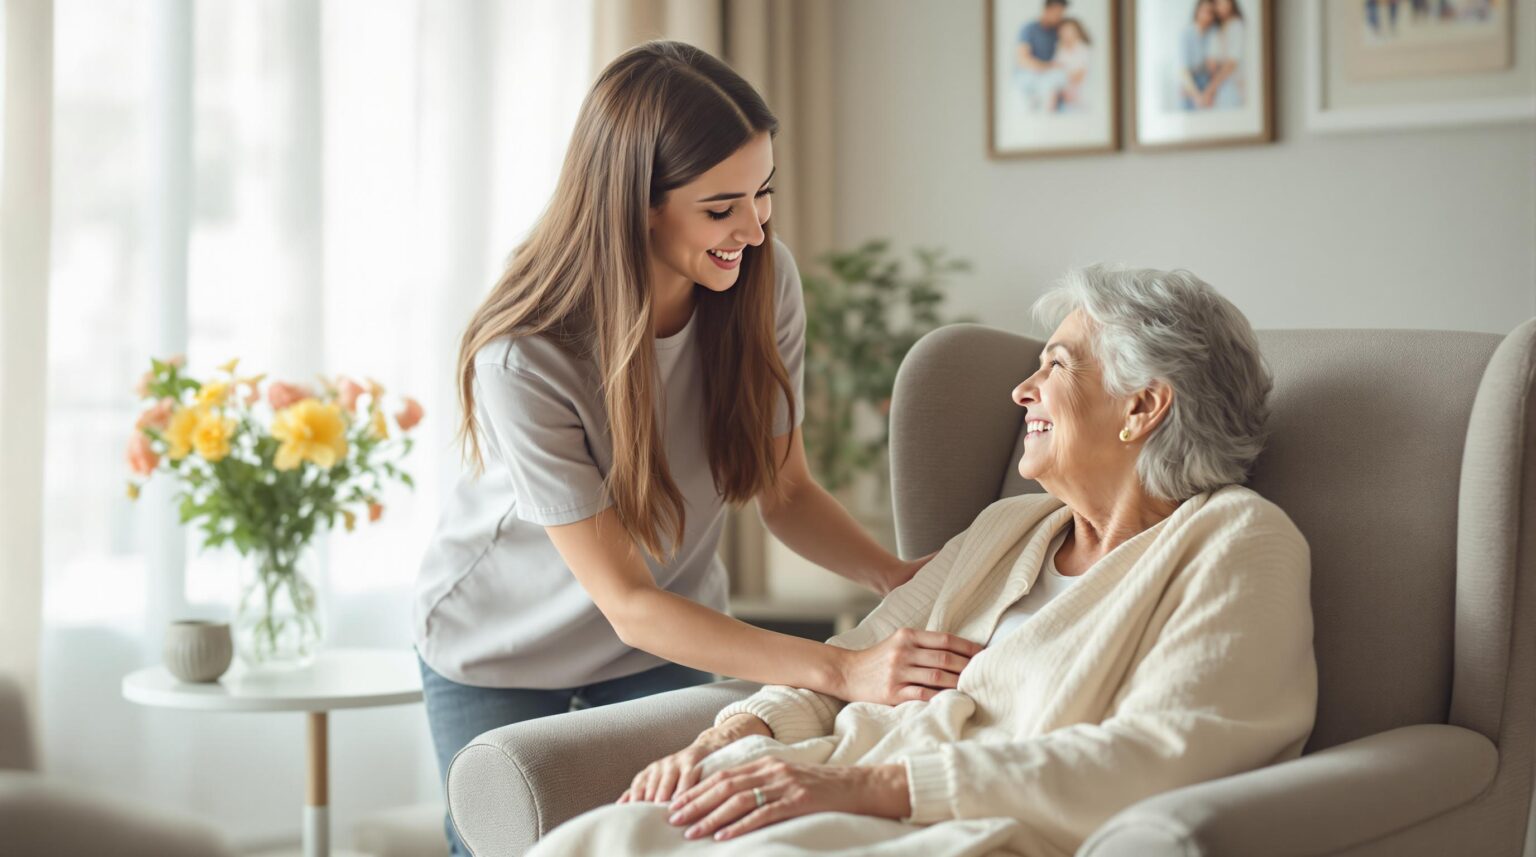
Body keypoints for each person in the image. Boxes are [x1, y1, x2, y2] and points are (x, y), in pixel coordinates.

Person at [530, 265, 1317, 857]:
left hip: (950, 828)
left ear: (1143, 406)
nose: (1022, 390)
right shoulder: (1009, 527)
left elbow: (1168, 751)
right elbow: (849, 664)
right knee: (604, 835)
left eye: (1056, 365)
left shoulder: (1236, 541)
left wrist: (865, 785)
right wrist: (722, 737)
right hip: (837, 787)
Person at [411, 40, 976, 857]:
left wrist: (893, 575)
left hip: (670, 630)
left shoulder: (764, 281)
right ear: (638, 204)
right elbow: (627, 601)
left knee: (692, 838)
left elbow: (783, 492)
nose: (752, 227)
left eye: (763, 193)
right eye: (721, 207)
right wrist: (841, 668)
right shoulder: (525, 355)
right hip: (501, 645)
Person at [1014, 0, 1071, 112]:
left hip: (1049, 77)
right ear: (1047, 10)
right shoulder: (1029, 29)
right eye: (1058, 13)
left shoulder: (1057, 31)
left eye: (1061, 14)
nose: (1060, 17)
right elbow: (1023, 59)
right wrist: (1048, 66)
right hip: (1029, 75)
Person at [1205, 0, 1247, 110]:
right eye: (1217, 3)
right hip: (1219, 86)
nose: (1220, 6)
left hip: (1234, 85)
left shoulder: (1237, 26)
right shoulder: (1215, 31)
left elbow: (1231, 63)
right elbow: (1211, 63)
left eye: (1223, 2)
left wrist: (1210, 90)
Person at [1179, 0, 1217, 110]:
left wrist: (1208, 93)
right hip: (1190, 84)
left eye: (1211, 13)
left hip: (1207, 83)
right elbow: (1183, 71)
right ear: (1197, 11)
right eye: (1204, 11)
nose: (1207, 16)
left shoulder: (1212, 34)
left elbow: (1212, 67)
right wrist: (1196, 96)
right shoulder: (1186, 35)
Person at [1051, 18, 1092, 112]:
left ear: (1077, 32)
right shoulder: (1059, 48)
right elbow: (1055, 67)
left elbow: (1080, 76)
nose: (1066, 34)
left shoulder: (1084, 49)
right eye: (1063, 31)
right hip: (1061, 87)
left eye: (1069, 31)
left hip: (1078, 89)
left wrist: (1064, 80)